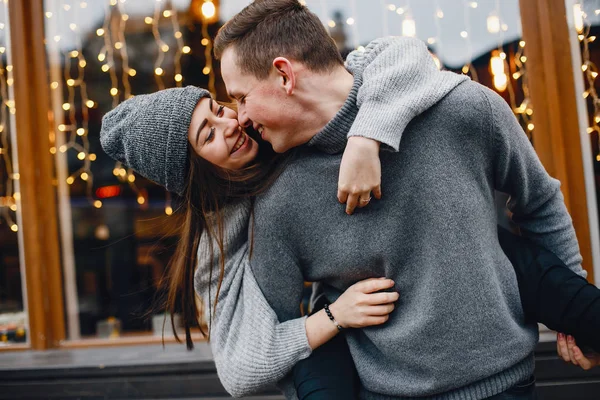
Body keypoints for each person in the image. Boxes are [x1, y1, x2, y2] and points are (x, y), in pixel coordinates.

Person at [101, 38, 600, 400]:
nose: (233, 122)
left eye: (219, 107)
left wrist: (367, 137)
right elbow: (242, 367)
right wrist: (333, 316)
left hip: (489, 343)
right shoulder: (236, 229)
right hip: (358, 343)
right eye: (207, 135)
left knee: (504, 248)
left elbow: (402, 53)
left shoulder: (304, 121)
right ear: (196, 175)